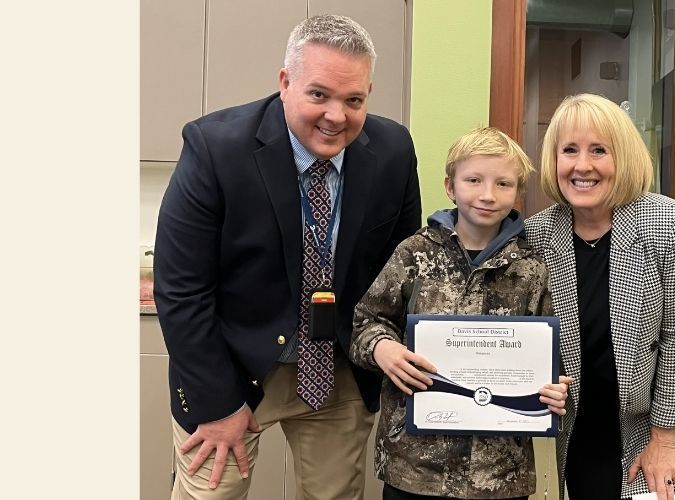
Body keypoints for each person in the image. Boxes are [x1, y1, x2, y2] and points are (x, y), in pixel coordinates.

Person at [154, 15, 421, 499]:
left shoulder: (394, 151)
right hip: (231, 367)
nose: (336, 115)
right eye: (319, 94)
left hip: (338, 369)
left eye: (354, 99)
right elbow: (181, 288)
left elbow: (399, 278)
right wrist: (217, 406)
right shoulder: (216, 148)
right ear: (285, 83)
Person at [349, 127, 571, 499]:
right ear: (451, 187)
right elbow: (365, 322)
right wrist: (382, 349)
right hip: (413, 467)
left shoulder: (533, 266)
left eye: (503, 184)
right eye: (474, 180)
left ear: (517, 193)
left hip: (500, 473)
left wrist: (556, 387)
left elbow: (557, 353)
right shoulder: (415, 253)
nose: (487, 195)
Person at [524, 94, 675, 500]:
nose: (582, 166)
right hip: (582, 421)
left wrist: (663, 441)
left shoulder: (670, 223)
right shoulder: (536, 234)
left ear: (624, 156)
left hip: (666, 416)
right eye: (569, 151)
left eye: (599, 150)